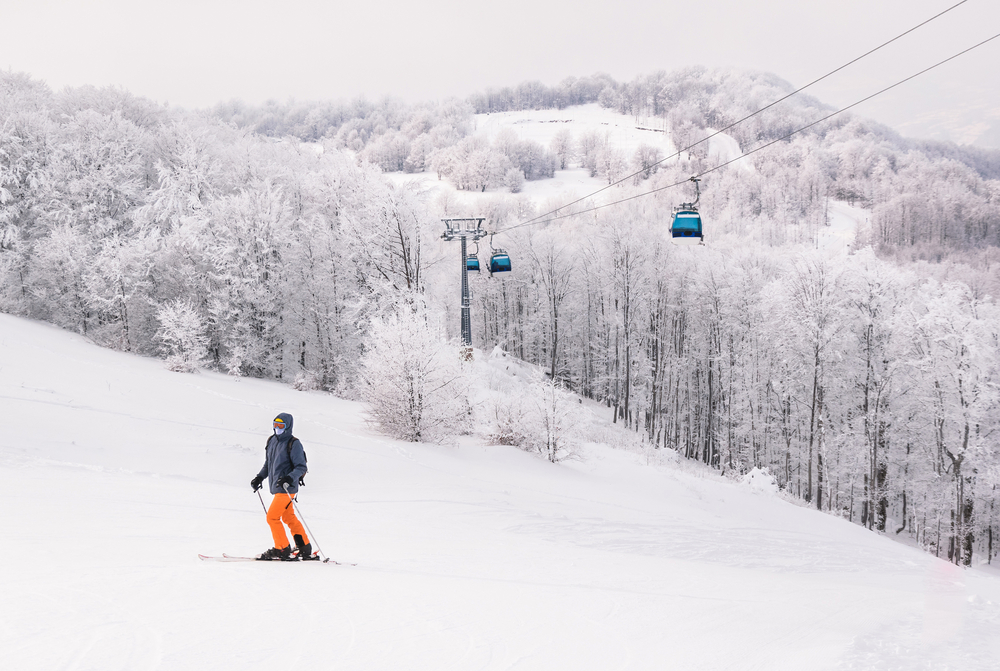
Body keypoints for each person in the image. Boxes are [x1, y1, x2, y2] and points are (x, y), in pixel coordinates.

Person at [250, 413, 312, 561]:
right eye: (275, 424)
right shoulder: (272, 441)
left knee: (272, 517)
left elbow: (301, 467)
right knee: (288, 516)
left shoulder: (294, 443)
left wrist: (289, 478)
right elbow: (269, 464)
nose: (277, 428)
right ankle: (304, 547)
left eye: (281, 425)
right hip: (277, 487)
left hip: (287, 488)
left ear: (288, 426)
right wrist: (259, 477)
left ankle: (282, 548)